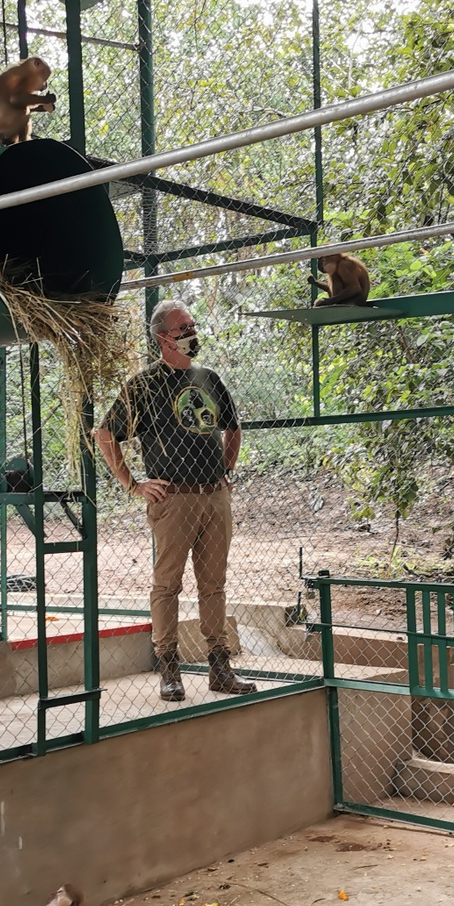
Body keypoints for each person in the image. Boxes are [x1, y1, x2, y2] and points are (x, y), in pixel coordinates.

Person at [94, 300, 256, 702]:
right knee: (168, 584)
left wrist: (226, 470)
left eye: (192, 325)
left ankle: (220, 666)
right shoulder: (145, 385)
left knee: (213, 584)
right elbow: (104, 434)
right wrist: (133, 484)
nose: (190, 333)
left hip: (214, 496)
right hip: (174, 498)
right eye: (182, 328)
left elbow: (233, 429)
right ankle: (169, 667)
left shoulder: (209, 378)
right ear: (162, 337)